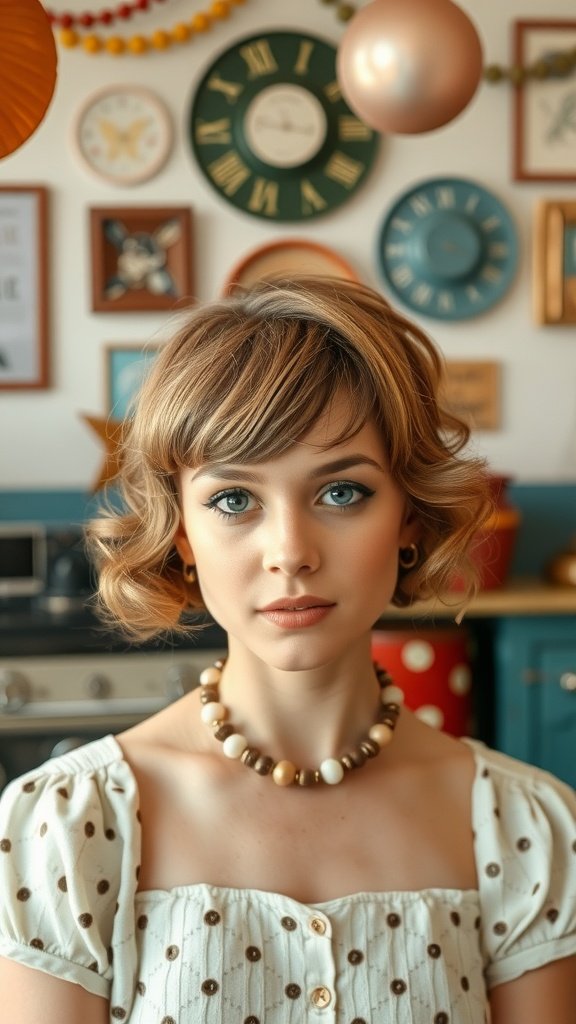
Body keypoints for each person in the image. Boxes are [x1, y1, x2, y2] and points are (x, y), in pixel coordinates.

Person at [0, 276, 574, 1024]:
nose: (290, 553)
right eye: (234, 500)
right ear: (182, 533)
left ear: (408, 516)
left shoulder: (525, 829)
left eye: (342, 493)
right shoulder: (72, 827)